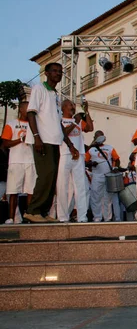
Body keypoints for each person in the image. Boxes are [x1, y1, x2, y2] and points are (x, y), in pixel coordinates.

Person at [24, 63, 79, 223]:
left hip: (54, 142)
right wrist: (36, 137)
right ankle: (32, 211)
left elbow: (58, 123)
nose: (58, 74)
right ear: (47, 73)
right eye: (54, 71)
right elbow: (31, 113)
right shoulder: (39, 89)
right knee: (45, 174)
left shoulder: (55, 95)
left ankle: (42, 211)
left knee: (52, 176)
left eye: (60, 71)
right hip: (43, 140)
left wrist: (70, 144)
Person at [56, 99, 93, 222]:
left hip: (80, 155)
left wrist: (86, 111)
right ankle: (62, 216)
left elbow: (90, 127)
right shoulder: (59, 120)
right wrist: (75, 122)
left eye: (73, 105)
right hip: (65, 154)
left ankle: (82, 216)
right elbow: (63, 134)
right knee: (63, 186)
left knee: (81, 186)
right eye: (69, 105)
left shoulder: (78, 121)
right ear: (63, 108)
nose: (72, 107)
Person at [1, 101, 36, 223]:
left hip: (30, 161)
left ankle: (30, 215)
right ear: (21, 109)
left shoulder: (34, 125)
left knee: (30, 190)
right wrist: (21, 139)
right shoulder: (11, 124)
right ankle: (11, 218)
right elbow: (5, 143)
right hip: (16, 161)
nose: (29, 111)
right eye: (27, 108)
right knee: (13, 191)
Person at [86, 131, 120, 221]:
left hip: (108, 176)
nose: (100, 137)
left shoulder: (109, 148)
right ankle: (97, 217)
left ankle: (107, 218)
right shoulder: (91, 149)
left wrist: (115, 167)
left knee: (107, 198)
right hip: (96, 176)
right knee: (95, 197)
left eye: (101, 135)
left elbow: (117, 159)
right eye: (98, 136)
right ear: (94, 137)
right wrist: (91, 163)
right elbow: (85, 161)